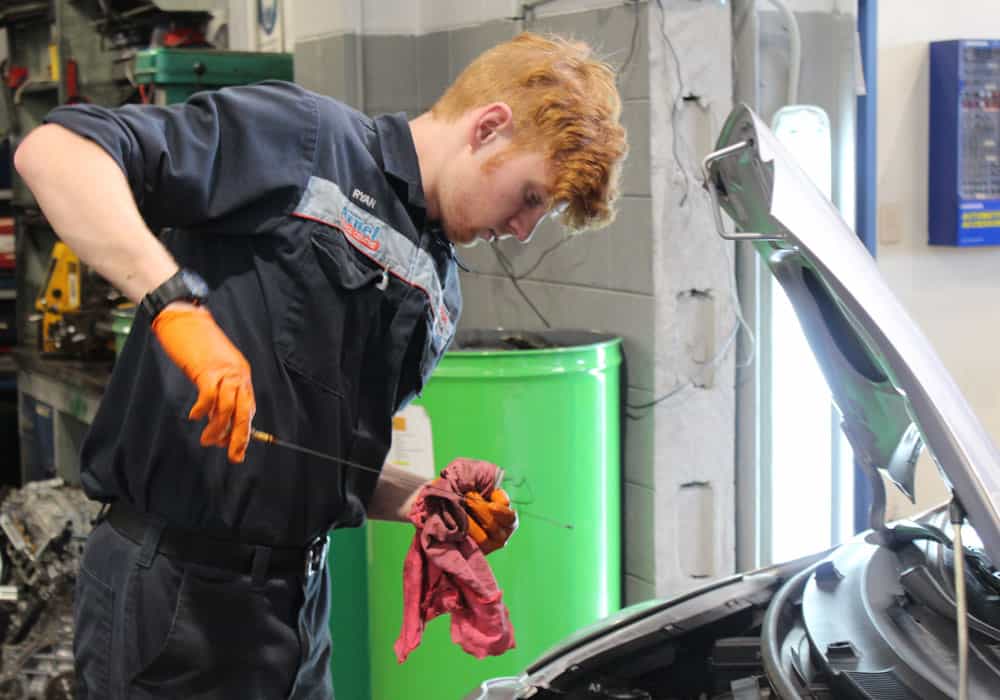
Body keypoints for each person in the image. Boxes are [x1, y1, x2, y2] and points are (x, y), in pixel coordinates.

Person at [14, 31, 627, 699]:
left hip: (299, 609)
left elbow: (319, 462)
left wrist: (424, 501)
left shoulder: (437, 291)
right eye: (533, 197)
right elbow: (54, 151)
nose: (522, 230)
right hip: (173, 593)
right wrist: (175, 307)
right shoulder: (303, 140)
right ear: (488, 128)